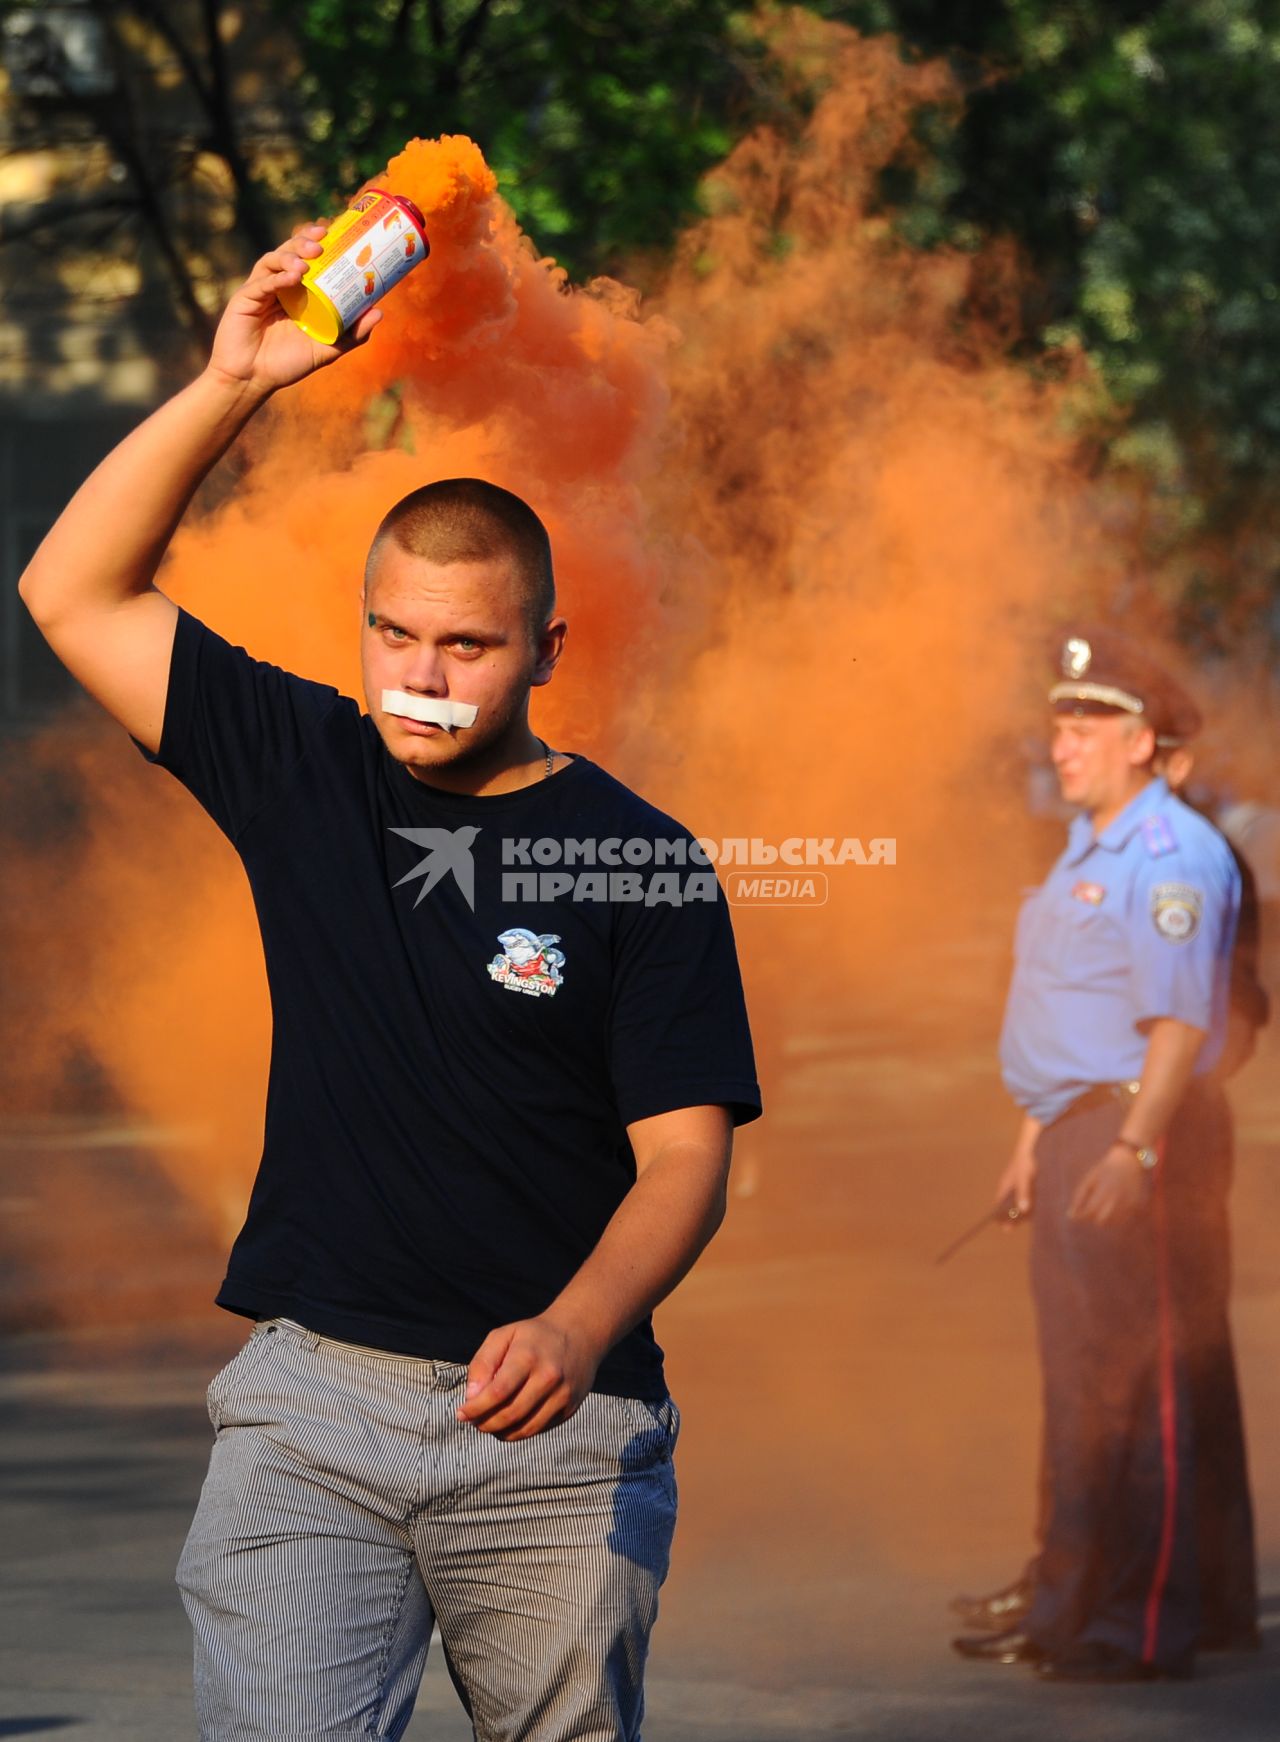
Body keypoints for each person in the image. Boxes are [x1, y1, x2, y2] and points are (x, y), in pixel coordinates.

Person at [18, 220, 761, 1740]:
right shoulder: (306, 765)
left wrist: (573, 1324)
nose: (422, 677)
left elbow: (687, 1155)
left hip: (563, 1424)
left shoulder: (647, 860)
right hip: (312, 1409)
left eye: (469, 646)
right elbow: (72, 591)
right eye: (394, 635)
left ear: (548, 646)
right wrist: (238, 380)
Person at [955, 627, 1242, 1684]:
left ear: (1139, 738)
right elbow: (1067, 1015)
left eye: (1085, 722)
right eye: (1058, 718)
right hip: (1076, 1124)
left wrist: (1129, 1145)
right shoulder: (1088, 843)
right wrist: (1031, 1139)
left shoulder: (1170, 856)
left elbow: (1172, 1028)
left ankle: (1140, 1620)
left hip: (1134, 1130)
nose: (1059, 739)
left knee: (1141, 1386)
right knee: (1080, 1386)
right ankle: (1072, 1605)